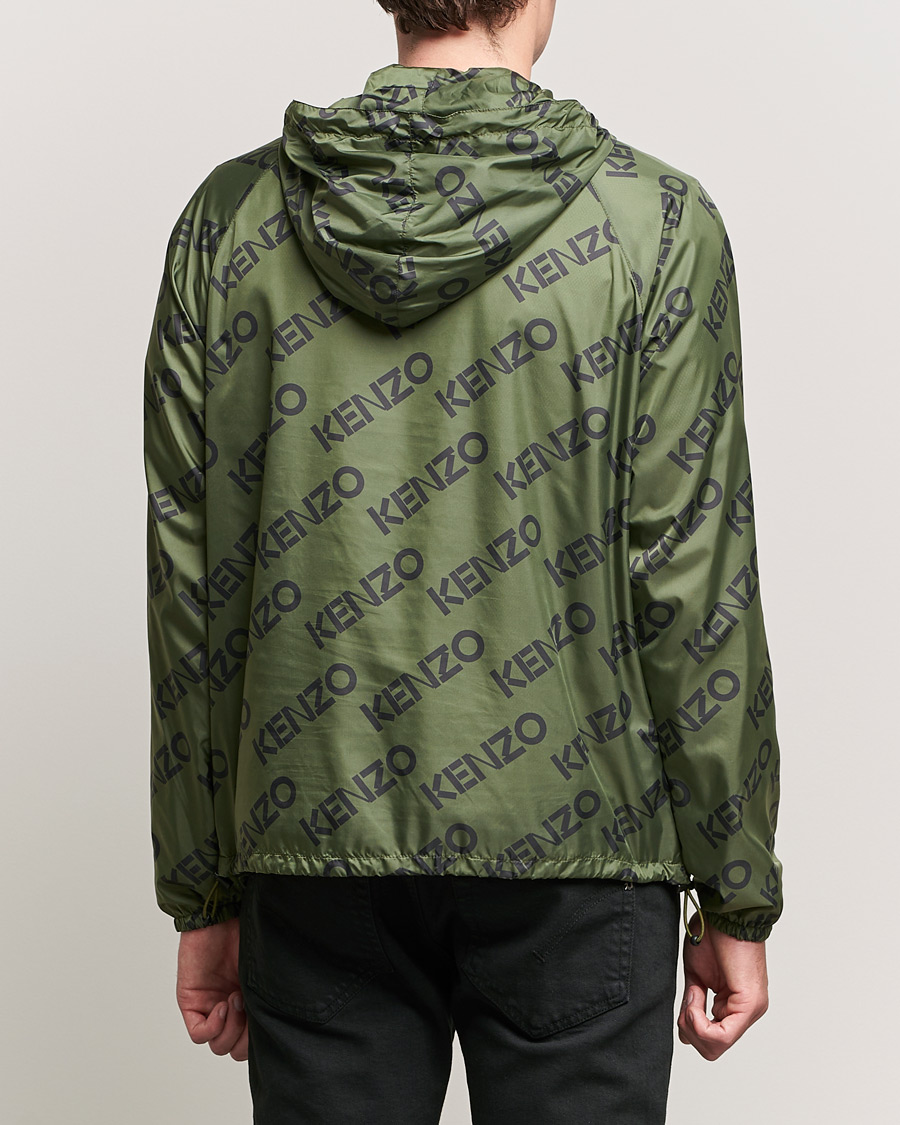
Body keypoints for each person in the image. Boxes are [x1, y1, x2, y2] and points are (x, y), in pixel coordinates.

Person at [143, 0, 784, 1119]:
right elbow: (692, 580)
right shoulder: (656, 224)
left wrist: (203, 889)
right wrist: (735, 890)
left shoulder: (229, 222)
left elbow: (190, 590)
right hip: (583, 853)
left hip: (314, 836)